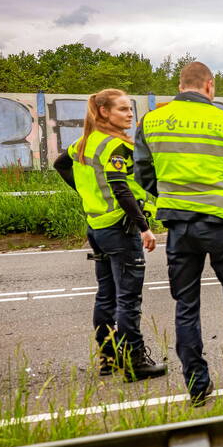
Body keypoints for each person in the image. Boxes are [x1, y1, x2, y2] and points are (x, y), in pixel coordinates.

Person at [134, 62, 223, 406]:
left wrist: (171, 194)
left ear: (180, 85)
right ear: (209, 86)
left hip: (178, 227)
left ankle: (197, 384)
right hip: (219, 225)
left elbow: (142, 174)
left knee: (186, 305)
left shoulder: (150, 121)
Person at [53, 89, 167, 382]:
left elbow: (60, 164)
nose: (130, 114)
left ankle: (108, 356)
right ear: (104, 112)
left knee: (107, 294)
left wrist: (84, 192)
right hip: (120, 226)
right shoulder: (116, 146)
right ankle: (135, 361)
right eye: (123, 109)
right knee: (128, 299)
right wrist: (143, 226)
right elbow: (120, 187)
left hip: (97, 226)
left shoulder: (85, 142)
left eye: (130, 109)